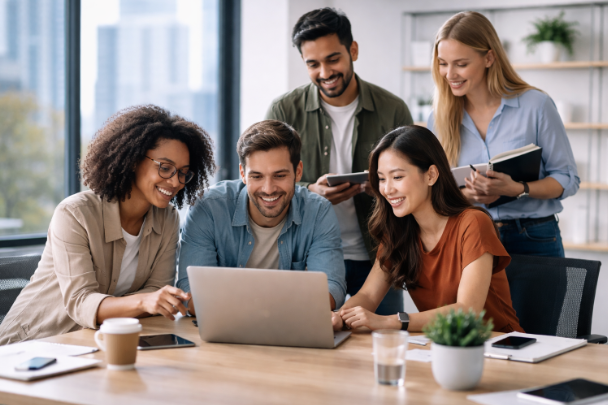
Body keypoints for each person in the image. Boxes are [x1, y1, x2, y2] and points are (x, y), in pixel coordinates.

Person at [0, 105, 216, 345]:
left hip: (91, 345)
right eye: (165, 168)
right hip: (31, 346)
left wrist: (149, 300)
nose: (175, 181)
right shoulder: (75, 213)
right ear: (134, 160)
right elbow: (81, 302)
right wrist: (144, 301)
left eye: (183, 173)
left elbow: (157, 290)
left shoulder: (167, 220)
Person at [265, 8, 413, 315]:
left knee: (379, 348)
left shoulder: (392, 110)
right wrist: (309, 192)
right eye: (313, 64)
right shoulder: (283, 110)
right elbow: (265, 182)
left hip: (379, 259)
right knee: (309, 347)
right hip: (309, 257)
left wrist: (386, 186)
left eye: (333, 59)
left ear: (353, 51)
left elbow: (413, 182)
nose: (324, 72)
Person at [333, 126, 523, 333]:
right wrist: (337, 317)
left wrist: (390, 322)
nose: (387, 189)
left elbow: (468, 311)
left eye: (397, 177)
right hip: (440, 345)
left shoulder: (473, 223)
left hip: (497, 346)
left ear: (431, 175)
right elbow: (368, 296)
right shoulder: (398, 231)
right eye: (381, 178)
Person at [427, 11, 579, 257]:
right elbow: (435, 194)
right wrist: (469, 194)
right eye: (443, 63)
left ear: (489, 58)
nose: (449, 74)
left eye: (461, 64)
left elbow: (567, 179)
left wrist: (518, 188)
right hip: (470, 237)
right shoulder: (437, 119)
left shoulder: (536, 105)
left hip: (534, 238)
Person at [177, 120, 346, 314]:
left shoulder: (318, 212)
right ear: (242, 173)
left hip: (286, 332)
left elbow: (332, 290)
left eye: (279, 175)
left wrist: (241, 305)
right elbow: (189, 292)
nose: (268, 189)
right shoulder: (208, 209)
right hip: (228, 328)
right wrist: (283, 304)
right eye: (257, 177)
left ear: (298, 171)